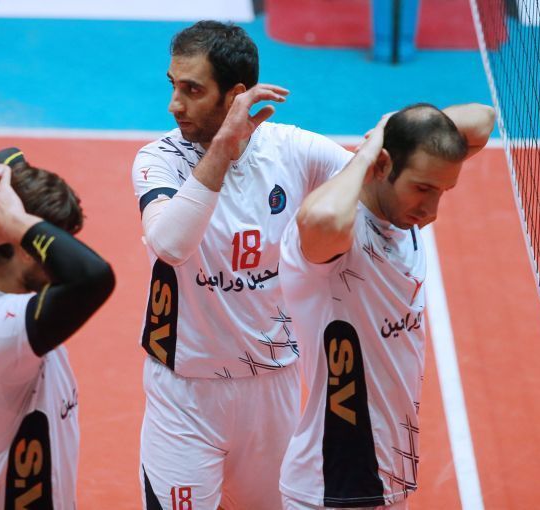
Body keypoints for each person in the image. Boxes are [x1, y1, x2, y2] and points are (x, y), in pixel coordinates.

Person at [131, 20, 353, 510]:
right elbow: (170, 245)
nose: (174, 105)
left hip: (273, 385)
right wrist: (222, 150)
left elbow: (371, 182)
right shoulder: (159, 159)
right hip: (184, 394)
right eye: (173, 86)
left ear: (235, 96)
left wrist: (387, 140)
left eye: (192, 90)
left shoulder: (292, 150)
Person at [278, 103, 495, 509]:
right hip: (331, 486)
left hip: (386, 479)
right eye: (423, 188)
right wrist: (367, 152)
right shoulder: (339, 238)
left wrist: (391, 125)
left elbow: (483, 120)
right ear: (381, 166)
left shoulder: (400, 218)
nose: (431, 212)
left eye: (442, 192)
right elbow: (322, 218)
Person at [0, 148, 115, 509]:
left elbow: (0, 160)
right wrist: (17, 223)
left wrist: (7, 214)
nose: (58, 266)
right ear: (26, 248)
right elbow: (94, 278)